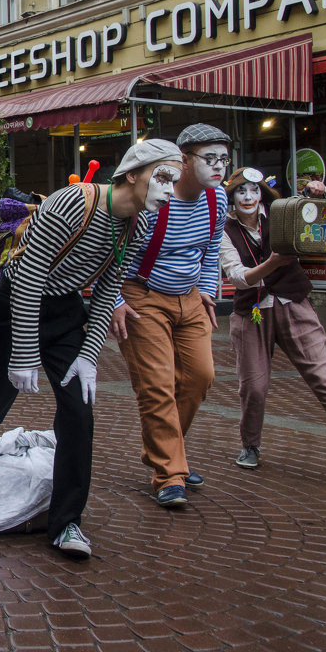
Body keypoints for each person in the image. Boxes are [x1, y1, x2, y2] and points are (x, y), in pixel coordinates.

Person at [0, 140, 184, 559]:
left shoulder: (141, 223)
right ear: (132, 174)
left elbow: (110, 287)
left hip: (65, 309)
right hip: (16, 302)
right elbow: (30, 273)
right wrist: (22, 354)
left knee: (79, 410)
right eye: (162, 177)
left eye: (175, 181)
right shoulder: (73, 203)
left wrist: (89, 355)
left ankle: (66, 522)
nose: (169, 190)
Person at [219, 167, 326, 492]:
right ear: (232, 197)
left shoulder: (282, 215)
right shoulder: (225, 231)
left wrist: (323, 192)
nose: (247, 197)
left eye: (253, 191)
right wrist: (274, 261)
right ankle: (251, 444)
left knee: (325, 380)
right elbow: (239, 277)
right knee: (254, 388)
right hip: (252, 313)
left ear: (261, 195)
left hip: (293, 305)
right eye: (240, 191)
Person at [110, 123, 230, 509]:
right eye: (209, 159)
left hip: (191, 297)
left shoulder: (217, 199)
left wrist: (210, 292)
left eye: (224, 160)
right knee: (157, 384)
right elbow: (112, 256)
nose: (219, 168)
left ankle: (164, 452)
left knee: (200, 377)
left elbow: (211, 250)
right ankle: (169, 473)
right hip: (142, 296)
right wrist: (115, 302)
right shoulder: (155, 198)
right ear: (185, 160)